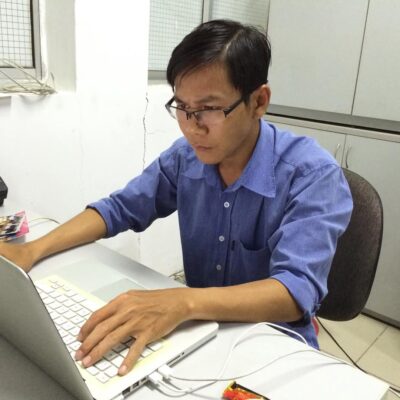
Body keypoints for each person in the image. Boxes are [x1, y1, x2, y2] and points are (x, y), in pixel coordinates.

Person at [0, 19, 352, 377]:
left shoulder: (313, 175)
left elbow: (294, 292)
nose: (192, 127)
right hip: (199, 333)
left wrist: (183, 301)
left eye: (209, 109)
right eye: (182, 107)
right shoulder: (185, 159)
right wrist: (31, 251)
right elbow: (118, 209)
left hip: (274, 349)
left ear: (258, 101)